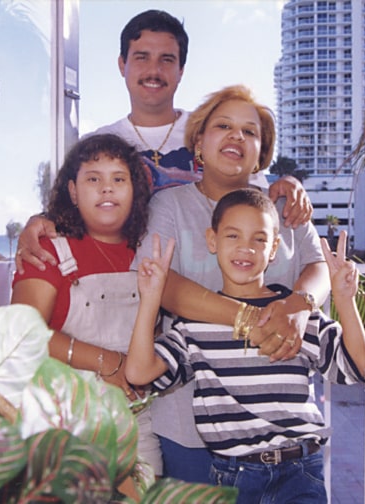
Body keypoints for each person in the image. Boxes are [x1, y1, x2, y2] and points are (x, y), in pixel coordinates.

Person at [129, 84, 332, 483]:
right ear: (199, 142)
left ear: (262, 152)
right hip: (192, 424)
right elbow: (161, 285)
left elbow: (318, 265)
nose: (237, 136)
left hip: (284, 430)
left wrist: (298, 305)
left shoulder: (282, 206)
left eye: (250, 131)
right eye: (223, 126)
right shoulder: (169, 206)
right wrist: (252, 319)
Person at [15, 9, 313, 274]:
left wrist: (287, 184)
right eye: (141, 57)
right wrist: (38, 222)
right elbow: (69, 211)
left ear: (181, 70)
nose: (153, 71)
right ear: (122, 64)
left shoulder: (213, 131)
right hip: (125, 291)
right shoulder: (100, 145)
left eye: (166, 60)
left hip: (207, 286)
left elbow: (253, 193)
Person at [126, 190, 365, 503]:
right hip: (231, 478)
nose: (245, 248)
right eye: (233, 235)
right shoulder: (195, 324)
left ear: (274, 248)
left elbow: (359, 367)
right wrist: (150, 299)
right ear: (212, 241)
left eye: (259, 239)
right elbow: (139, 372)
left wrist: (345, 301)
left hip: (300, 473)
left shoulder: (293, 316)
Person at [9, 133, 162, 477]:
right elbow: (22, 333)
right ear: (73, 191)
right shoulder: (48, 250)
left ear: (134, 190)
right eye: (94, 179)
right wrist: (108, 363)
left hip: (139, 426)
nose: (107, 189)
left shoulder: (149, 252)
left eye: (118, 179)